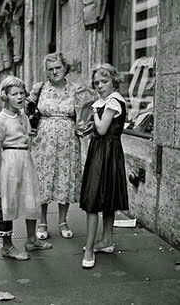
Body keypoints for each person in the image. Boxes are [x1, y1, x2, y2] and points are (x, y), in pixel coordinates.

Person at [28, 52, 96, 240]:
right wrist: (29, 128)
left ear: (65, 68)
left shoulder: (77, 90)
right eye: (50, 69)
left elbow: (85, 115)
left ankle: (63, 221)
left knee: (64, 180)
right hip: (43, 142)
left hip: (68, 142)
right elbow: (27, 110)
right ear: (46, 72)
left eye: (58, 67)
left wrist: (85, 126)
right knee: (43, 180)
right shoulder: (39, 88)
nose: (55, 71)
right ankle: (42, 222)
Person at [0, 76, 53, 261]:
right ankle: (7, 246)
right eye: (14, 94)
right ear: (5, 96)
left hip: (26, 160)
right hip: (9, 163)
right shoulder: (0, 120)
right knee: (7, 202)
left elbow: (24, 138)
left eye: (22, 93)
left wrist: (28, 134)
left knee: (32, 199)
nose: (19, 97)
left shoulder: (23, 116)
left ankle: (32, 240)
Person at [80, 63, 129, 269]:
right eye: (97, 82)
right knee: (107, 198)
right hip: (104, 152)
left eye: (104, 81)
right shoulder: (105, 101)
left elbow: (101, 129)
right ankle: (107, 241)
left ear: (114, 81)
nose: (100, 86)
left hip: (106, 154)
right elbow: (97, 129)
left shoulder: (114, 101)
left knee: (93, 201)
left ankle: (90, 249)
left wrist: (94, 111)